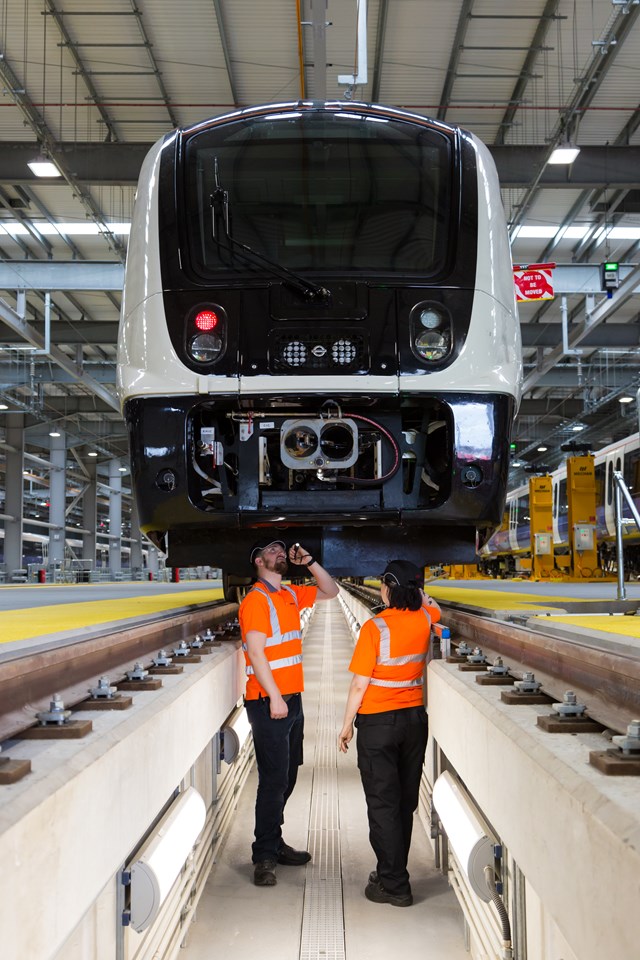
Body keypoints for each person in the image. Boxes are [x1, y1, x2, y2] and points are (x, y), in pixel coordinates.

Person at [338, 559, 441, 907]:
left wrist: (346, 724)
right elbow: (434, 608)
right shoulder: (424, 619)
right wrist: (421, 596)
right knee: (403, 803)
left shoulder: (375, 628)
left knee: (383, 804)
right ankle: (390, 871)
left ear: (388, 588)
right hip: (414, 722)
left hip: (378, 724)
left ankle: (394, 884)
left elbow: (358, 684)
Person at [239, 538, 338, 887]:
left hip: (291, 701)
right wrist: (276, 697)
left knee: (289, 774)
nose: (279, 554)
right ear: (258, 561)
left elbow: (331, 590)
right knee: (273, 780)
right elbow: (256, 652)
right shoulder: (256, 600)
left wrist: (308, 561)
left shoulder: (291, 594)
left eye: (282, 551)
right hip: (270, 703)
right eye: (270, 551)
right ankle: (264, 855)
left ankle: (275, 841)